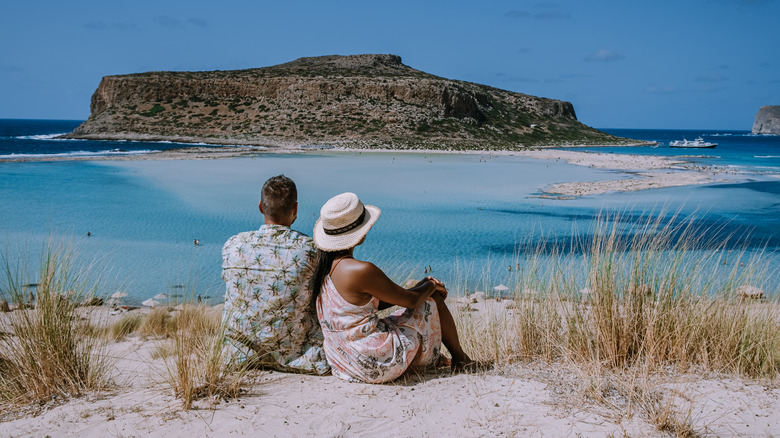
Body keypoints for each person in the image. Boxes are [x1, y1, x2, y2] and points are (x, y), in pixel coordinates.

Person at [309, 192, 473, 384]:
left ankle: (440, 359)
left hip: (344, 362)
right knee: (431, 301)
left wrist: (420, 286)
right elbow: (411, 301)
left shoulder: (322, 269)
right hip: (373, 363)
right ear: (361, 234)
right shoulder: (360, 270)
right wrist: (431, 285)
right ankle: (462, 360)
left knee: (421, 298)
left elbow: (372, 304)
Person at [221, 175, 329, 374]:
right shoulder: (311, 250)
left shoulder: (233, 245)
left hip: (237, 356)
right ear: (295, 209)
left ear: (261, 207)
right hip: (301, 357)